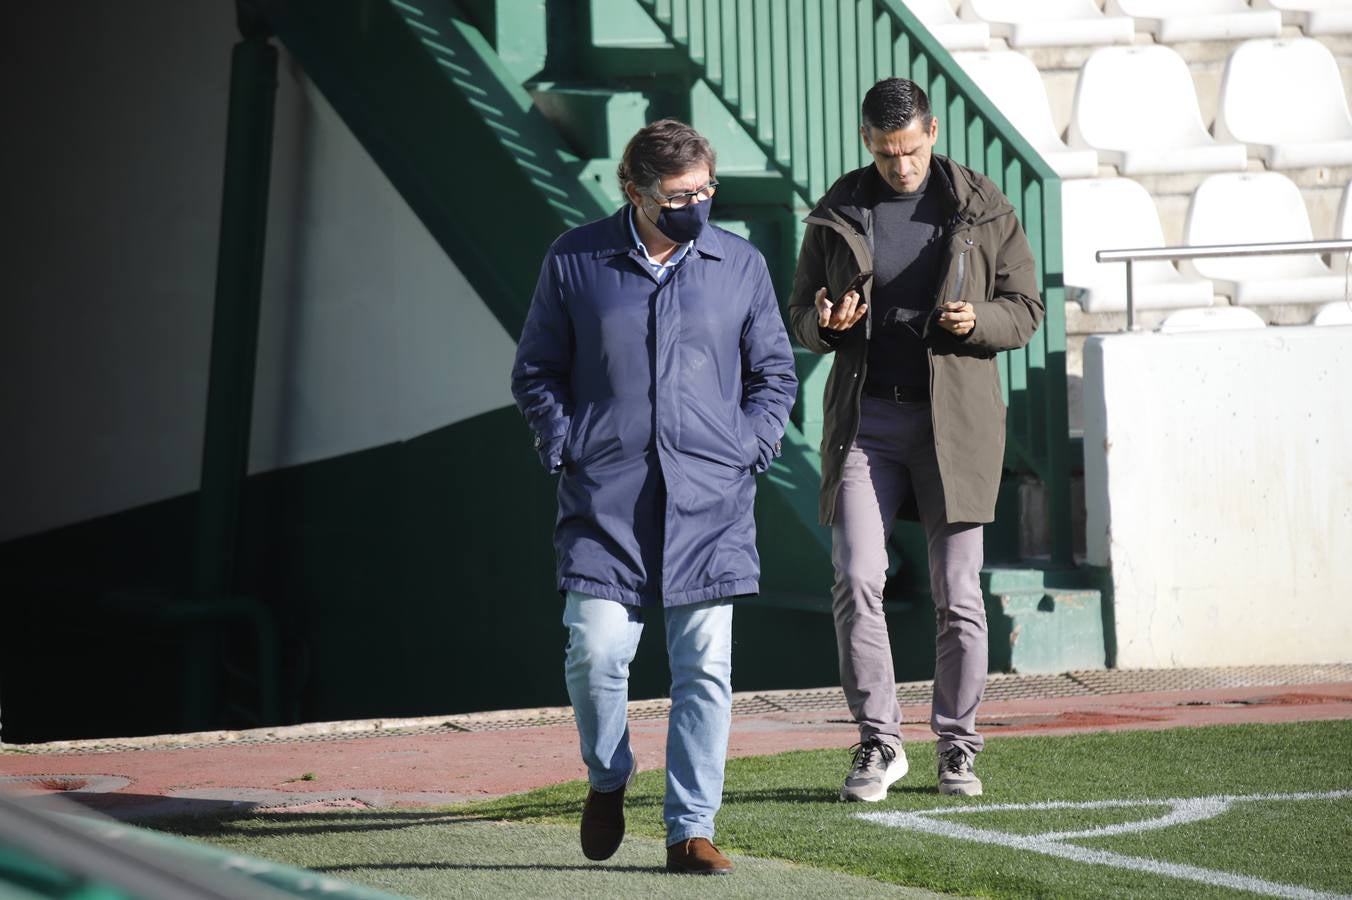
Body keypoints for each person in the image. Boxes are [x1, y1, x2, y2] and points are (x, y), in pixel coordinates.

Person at [511, 119, 797, 874]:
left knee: (704, 667)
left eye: (706, 191)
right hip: (606, 499)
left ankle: (690, 830)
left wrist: (750, 447)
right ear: (633, 192)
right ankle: (607, 777)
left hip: (713, 500)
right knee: (596, 652)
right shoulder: (575, 259)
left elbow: (774, 373)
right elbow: (536, 369)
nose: (696, 205)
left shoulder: (740, 264)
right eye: (678, 196)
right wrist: (566, 443)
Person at [788, 78, 1043, 801]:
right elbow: (798, 313)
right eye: (885, 152)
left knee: (959, 593)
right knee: (856, 579)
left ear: (932, 130)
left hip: (953, 427)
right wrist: (825, 322)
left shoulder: (983, 206)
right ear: (867, 141)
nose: (900, 165)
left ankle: (958, 747)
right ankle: (879, 743)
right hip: (866, 424)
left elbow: (1024, 312)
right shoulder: (839, 209)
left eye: (910, 149)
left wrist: (978, 324)